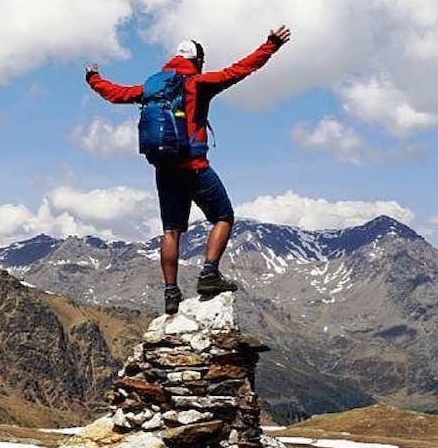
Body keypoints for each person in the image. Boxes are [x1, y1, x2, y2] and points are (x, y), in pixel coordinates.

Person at [85, 25, 291, 313]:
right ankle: (209, 274)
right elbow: (240, 70)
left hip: (164, 170)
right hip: (194, 166)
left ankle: (171, 293)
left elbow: (116, 93)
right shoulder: (198, 83)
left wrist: (93, 78)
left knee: (171, 231)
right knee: (223, 216)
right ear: (198, 61)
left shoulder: (151, 88)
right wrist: (271, 45)